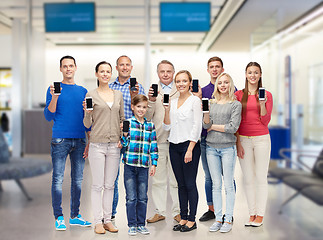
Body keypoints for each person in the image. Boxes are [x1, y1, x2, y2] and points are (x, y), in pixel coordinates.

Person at [44, 55, 91, 231]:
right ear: (61, 69)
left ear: (76, 68)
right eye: (65, 66)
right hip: (60, 140)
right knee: (57, 179)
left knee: (78, 180)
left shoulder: (83, 91)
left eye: (71, 66)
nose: (68, 69)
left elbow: (87, 119)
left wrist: (89, 141)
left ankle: (75, 216)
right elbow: (49, 116)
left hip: (79, 139)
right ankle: (59, 217)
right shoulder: (53, 89)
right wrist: (55, 97)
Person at [83, 61, 124, 234]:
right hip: (97, 145)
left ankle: (108, 220)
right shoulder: (90, 95)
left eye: (108, 71)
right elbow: (87, 124)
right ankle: (97, 221)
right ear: (97, 74)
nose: (105, 74)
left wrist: (123, 136)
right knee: (97, 185)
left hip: (115, 145)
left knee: (110, 185)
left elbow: (122, 120)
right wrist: (88, 113)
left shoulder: (118, 94)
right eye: (102, 71)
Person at [163, 70, 202, 232]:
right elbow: (167, 126)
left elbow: (197, 126)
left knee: (190, 183)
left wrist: (190, 149)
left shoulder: (194, 101)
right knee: (180, 185)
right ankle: (183, 218)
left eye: (184, 81)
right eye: (178, 81)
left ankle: (192, 220)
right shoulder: (172, 100)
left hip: (190, 146)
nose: (180, 84)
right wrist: (166, 110)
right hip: (174, 146)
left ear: (190, 83)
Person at [235, 62, 273, 227]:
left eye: (256, 73)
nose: (252, 75)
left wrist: (262, 103)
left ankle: (260, 215)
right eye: (250, 72)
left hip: (262, 139)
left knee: (261, 177)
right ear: (245, 74)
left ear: (260, 75)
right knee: (248, 179)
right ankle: (252, 214)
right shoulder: (238, 95)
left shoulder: (267, 95)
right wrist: (238, 143)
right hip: (243, 139)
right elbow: (235, 121)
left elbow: (265, 121)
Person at [203, 73, 242, 233]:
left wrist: (213, 126)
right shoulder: (211, 103)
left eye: (226, 82)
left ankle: (228, 219)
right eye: (220, 83)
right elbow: (206, 126)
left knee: (228, 185)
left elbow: (233, 128)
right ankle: (218, 218)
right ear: (217, 85)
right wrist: (207, 116)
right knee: (216, 185)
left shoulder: (235, 104)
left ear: (230, 84)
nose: (223, 85)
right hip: (211, 148)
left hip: (227, 149)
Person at [109, 55, 146, 219]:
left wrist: (134, 95)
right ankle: (111, 214)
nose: (124, 67)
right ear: (116, 67)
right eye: (121, 65)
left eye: (127, 65)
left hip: (135, 139)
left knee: (136, 179)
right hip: (115, 138)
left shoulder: (139, 88)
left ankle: (137, 217)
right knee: (113, 178)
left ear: (132, 67)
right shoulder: (109, 87)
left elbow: (142, 112)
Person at [145, 60, 181, 224]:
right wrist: (151, 100)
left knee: (176, 180)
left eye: (168, 71)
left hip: (176, 141)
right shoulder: (153, 92)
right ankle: (159, 211)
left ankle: (178, 211)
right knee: (158, 180)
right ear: (158, 73)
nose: (165, 74)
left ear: (173, 73)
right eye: (162, 71)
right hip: (158, 142)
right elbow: (146, 117)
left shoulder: (180, 89)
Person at [120, 94, 158, 236]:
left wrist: (154, 163)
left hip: (144, 166)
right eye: (138, 107)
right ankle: (132, 224)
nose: (141, 110)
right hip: (130, 165)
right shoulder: (128, 123)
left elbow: (153, 146)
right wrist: (124, 135)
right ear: (133, 107)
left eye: (144, 107)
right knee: (131, 197)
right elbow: (123, 145)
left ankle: (141, 224)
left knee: (142, 196)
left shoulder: (150, 126)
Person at [199, 56, 224, 221]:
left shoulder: (230, 89)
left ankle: (228, 210)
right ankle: (212, 209)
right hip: (206, 140)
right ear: (207, 70)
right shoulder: (203, 91)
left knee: (226, 177)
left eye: (217, 67)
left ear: (222, 69)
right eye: (211, 67)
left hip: (224, 141)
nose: (214, 69)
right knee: (209, 177)